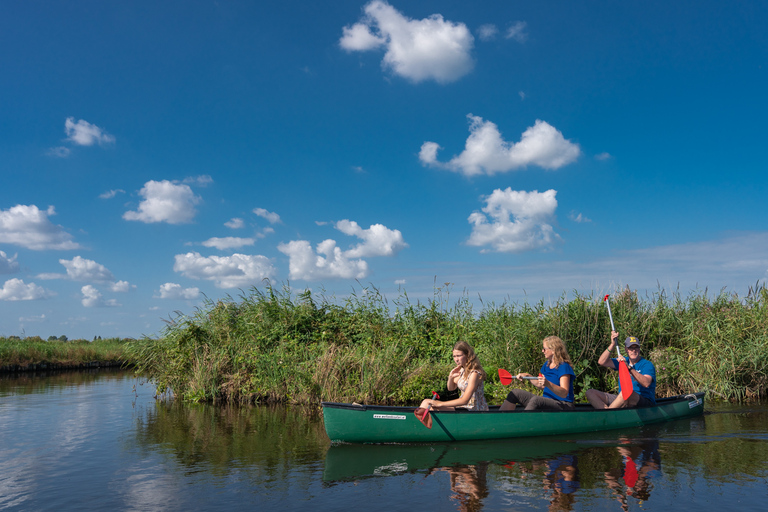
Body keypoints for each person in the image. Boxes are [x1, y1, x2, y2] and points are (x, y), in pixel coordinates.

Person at [499, 336, 576, 411]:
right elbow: (541, 385)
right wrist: (527, 376)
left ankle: (522, 422)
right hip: (547, 401)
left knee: (537, 400)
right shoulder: (547, 365)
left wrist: (548, 384)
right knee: (515, 393)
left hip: (564, 404)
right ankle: (499, 420)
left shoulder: (564, 366)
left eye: (544, 349)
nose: (542, 351)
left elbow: (564, 393)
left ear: (553, 350)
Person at [586, 331, 656, 409]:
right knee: (590, 392)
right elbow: (602, 362)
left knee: (626, 392)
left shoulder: (647, 364)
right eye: (630, 348)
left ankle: (607, 415)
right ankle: (606, 411)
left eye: (636, 347)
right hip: (622, 398)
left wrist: (629, 368)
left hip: (643, 401)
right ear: (626, 349)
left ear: (639, 349)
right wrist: (612, 344)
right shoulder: (622, 361)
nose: (633, 350)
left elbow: (646, 383)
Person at [419, 341, 489, 411]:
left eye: (459, 356)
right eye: (454, 356)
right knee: (426, 403)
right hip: (463, 408)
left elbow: (465, 400)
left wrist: (440, 403)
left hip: (474, 409)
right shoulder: (462, 370)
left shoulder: (474, 374)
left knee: (428, 404)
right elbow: (451, 388)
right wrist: (450, 377)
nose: (456, 359)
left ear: (467, 355)